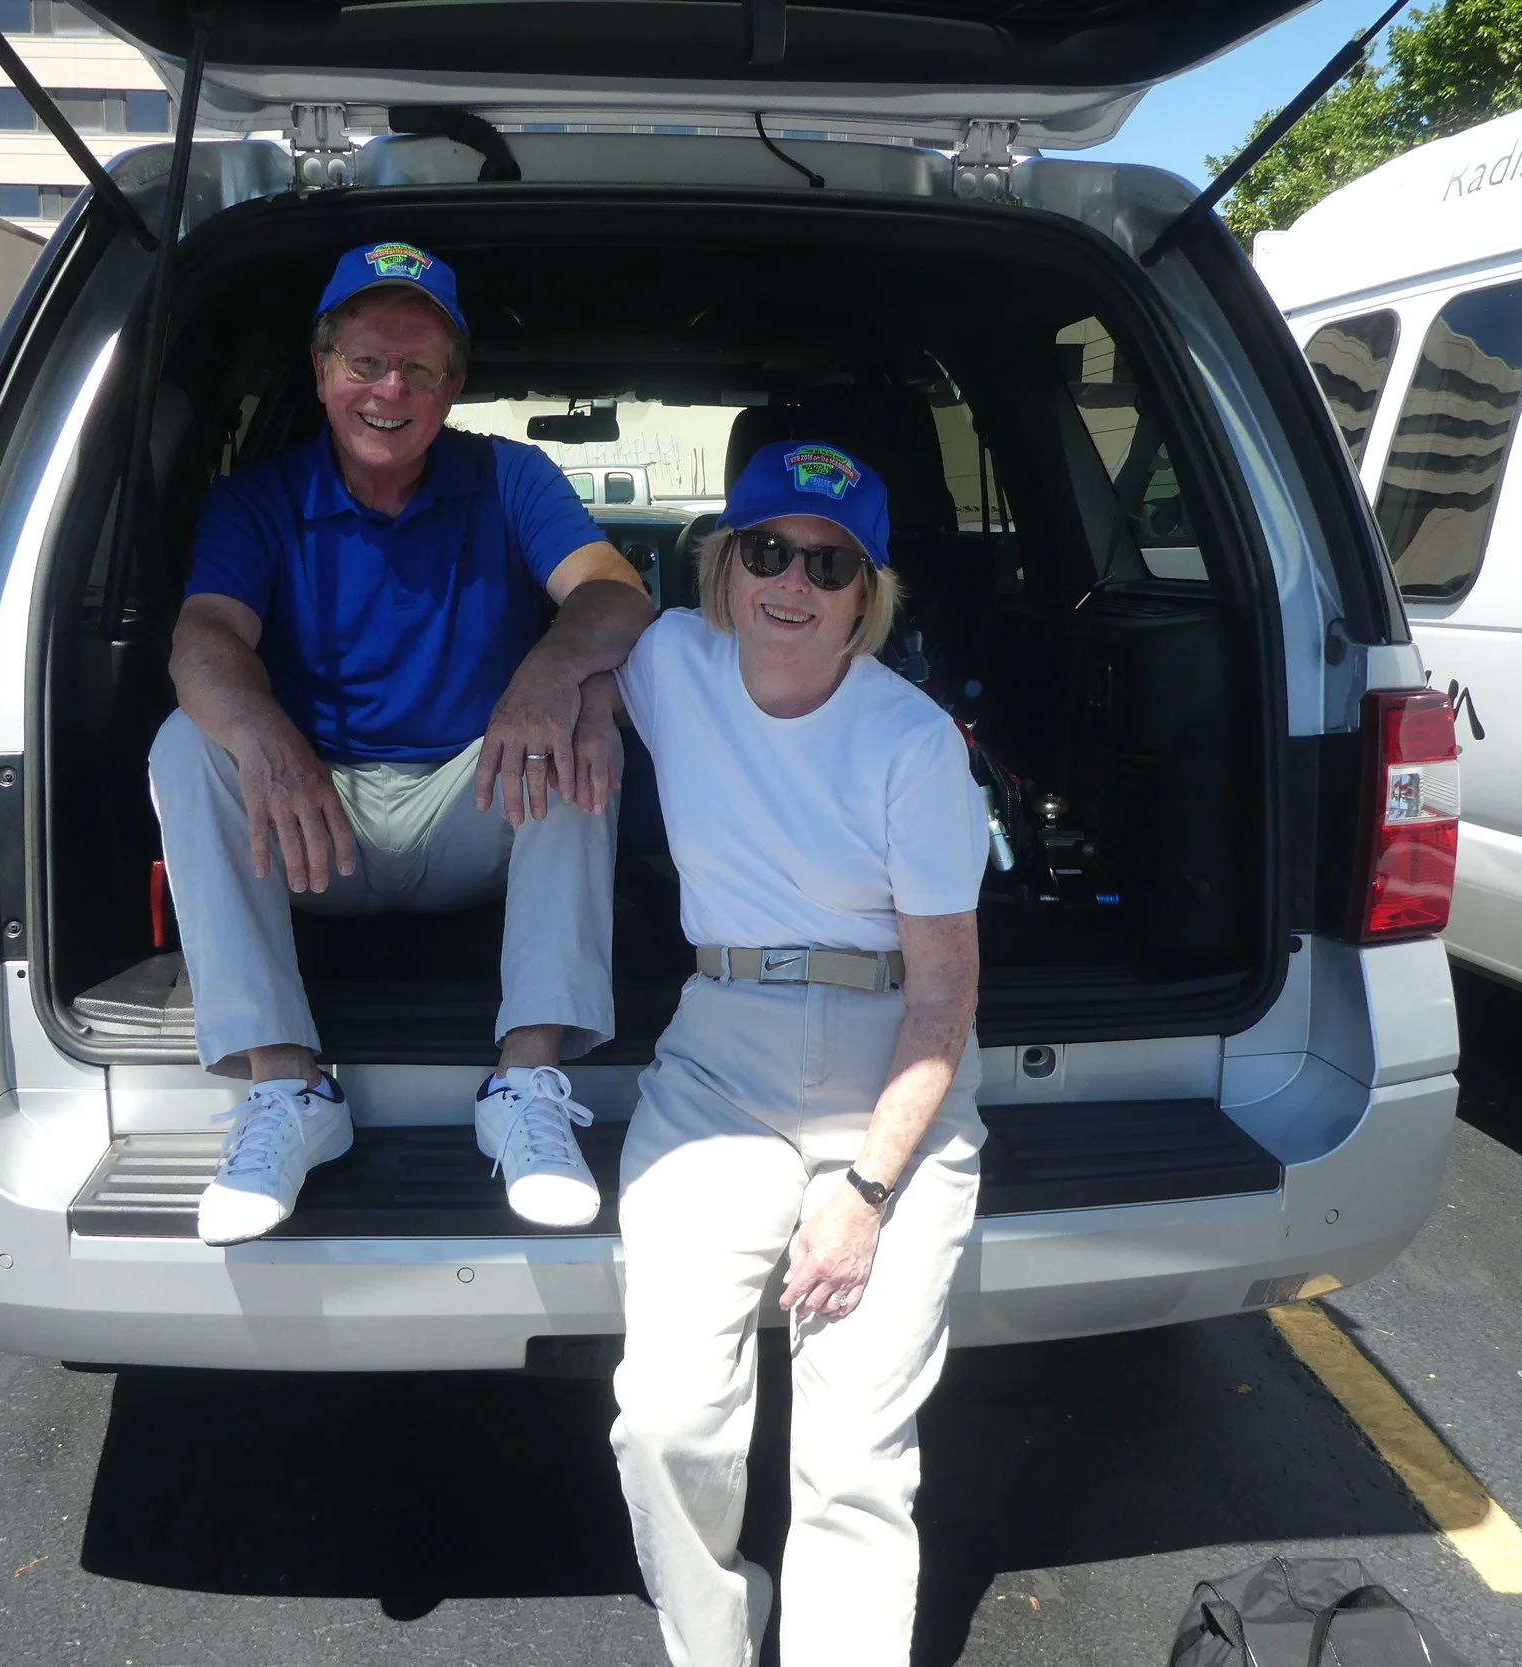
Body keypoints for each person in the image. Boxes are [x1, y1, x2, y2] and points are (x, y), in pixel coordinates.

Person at [150, 241, 653, 1246]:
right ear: (321, 369)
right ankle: (285, 1088)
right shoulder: (258, 500)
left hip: (473, 809)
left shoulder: (510, 476)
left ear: (453, 386)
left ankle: (526, 1082)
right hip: (311, 823)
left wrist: (554, 676)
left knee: (576, 730)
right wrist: (266, 733)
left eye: (418, 369)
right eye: (366, 363)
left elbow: (615, 594)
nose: (390, 390)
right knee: (185, 741)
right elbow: (203, 639)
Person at [602, 440, 990, 1665]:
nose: (792, 583)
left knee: (854, 1454)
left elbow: (944, 998)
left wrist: (865, 1195)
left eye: (830, 565)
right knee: (664, 1420)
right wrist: (540, 686)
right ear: (723, 565)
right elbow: (582, 618)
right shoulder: (669, 659)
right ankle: (717, 1634)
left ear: (865, 598)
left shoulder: (913, 743)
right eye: (767, 550)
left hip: (891, 1078)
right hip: (721, 1061)